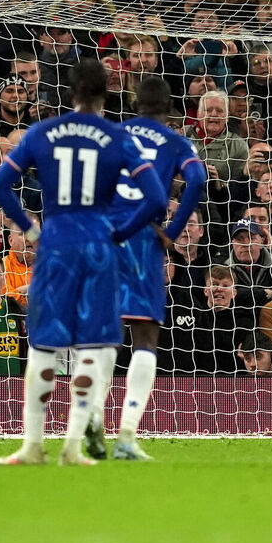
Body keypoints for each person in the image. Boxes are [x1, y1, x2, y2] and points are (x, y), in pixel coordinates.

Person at [0, 58, 167, 466]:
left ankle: (32, 445)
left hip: (55, 243)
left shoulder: (43, 132)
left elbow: (0, 183)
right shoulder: (117, 137)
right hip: (99, 245)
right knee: (93, 345)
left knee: (43, 345)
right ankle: (72, 445)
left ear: (71, 92)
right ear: (107, 93)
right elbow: (156, 198)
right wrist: (119, 233)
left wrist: (30, 229)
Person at [85, 76, 207, 462]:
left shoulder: (111, 135)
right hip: (142, 239)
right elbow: (198, 178)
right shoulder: (174, 141)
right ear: (169, 109)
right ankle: (126, 437)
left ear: (135, 105)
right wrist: (172, 231)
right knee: (144, 336)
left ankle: (92, 421)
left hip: (103, 235)